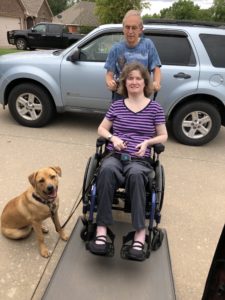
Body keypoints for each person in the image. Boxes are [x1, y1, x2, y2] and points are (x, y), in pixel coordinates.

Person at [88, 62, 168, 261]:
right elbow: (101, 129)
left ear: (144, 82)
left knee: (135, 175)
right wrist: (113, 138)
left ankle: (140, 232)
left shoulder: (155, 108)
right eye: (130, 78)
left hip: (139, 160)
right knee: (105, 170)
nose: (134, 82)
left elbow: (164, 136)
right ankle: (102, 229)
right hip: (115, 156)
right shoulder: (116, 106)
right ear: (125, 82)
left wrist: (147, 142)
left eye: (138, 78)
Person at [104, 9, 161, 101]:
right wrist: (109, 82)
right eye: (127, 27)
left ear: (140, 30)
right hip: (120, 98)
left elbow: (156, 69)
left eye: (134, 28)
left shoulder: (148, 45)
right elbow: (109, 74)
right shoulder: (116, 48)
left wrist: (156, 82)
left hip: (142, 97)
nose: (130, 31)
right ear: (123, 28)